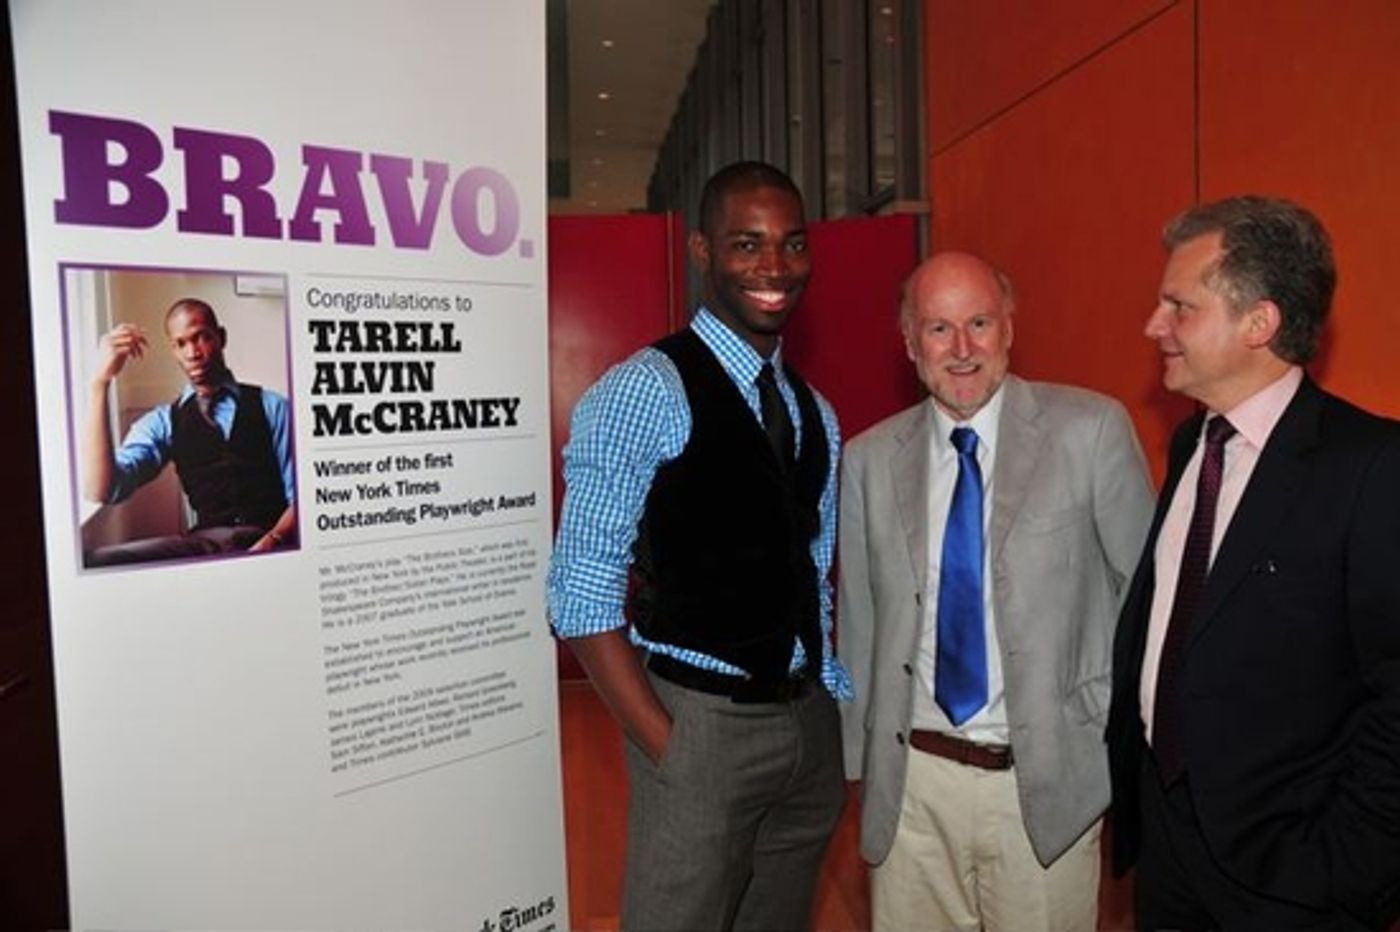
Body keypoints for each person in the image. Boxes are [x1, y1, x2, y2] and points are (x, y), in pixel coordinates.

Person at [546, 161, 847, 931]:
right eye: (748, 244)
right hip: (700, 728)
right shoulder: (646, 387)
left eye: (792, 244)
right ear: (703, 251)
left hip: (806, 734)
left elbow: (809, 572)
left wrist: (829, 694)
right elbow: (578, 591)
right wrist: (666, 745)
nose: (774, 267)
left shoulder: (817, 412)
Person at [1107, 196, 1400, 931]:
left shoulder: (1370, 468)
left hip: (1294, 880)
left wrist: (1345, 867)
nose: (1154, 325)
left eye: (1180, 305)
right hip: (1169, 852)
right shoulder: (1191, 447)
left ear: (1258, 324)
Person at [838, 251, 1154, 931]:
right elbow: (858, 624)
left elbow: (1150, 596)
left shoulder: (1090, 431)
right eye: (939, 328)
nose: (962, 349)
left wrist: (1095, 714)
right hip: (912, 792)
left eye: (979, 323)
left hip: (1041, 786)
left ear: (1009, 327)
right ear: (909, 342)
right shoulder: (866, 460)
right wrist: (859, 769)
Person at [83, 297, 296, 564]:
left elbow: (302, 498)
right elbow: (102, 490)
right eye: (180, 344)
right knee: (99, 561)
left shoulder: (273, 407)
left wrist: (273, 540)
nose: (192, 353)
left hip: (273, 541)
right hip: (205, 546)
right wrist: (99, 383)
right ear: (173, 351)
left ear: (221, 338)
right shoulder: (164, 422)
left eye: (201, 338)